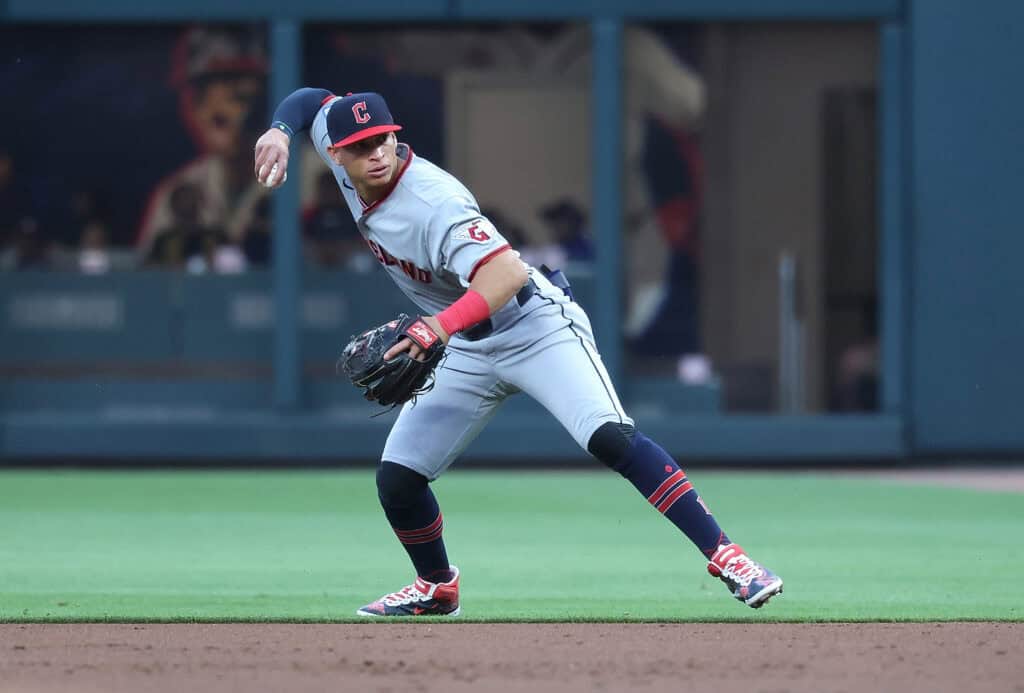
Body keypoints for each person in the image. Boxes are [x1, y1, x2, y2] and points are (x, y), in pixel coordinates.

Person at [254, 89, 784, 617]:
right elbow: (310, 103)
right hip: (465, 338)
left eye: (382, 139)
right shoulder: (338, 149)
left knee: (610, 436)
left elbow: (505, 274)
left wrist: (437, 328)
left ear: (397, 136)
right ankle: (436, 586)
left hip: (532, 324)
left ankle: (729, 557)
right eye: (359, 144)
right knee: (398, 478)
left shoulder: (434, 201)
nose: (374, 152)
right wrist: (279, 129)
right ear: (335, 153)